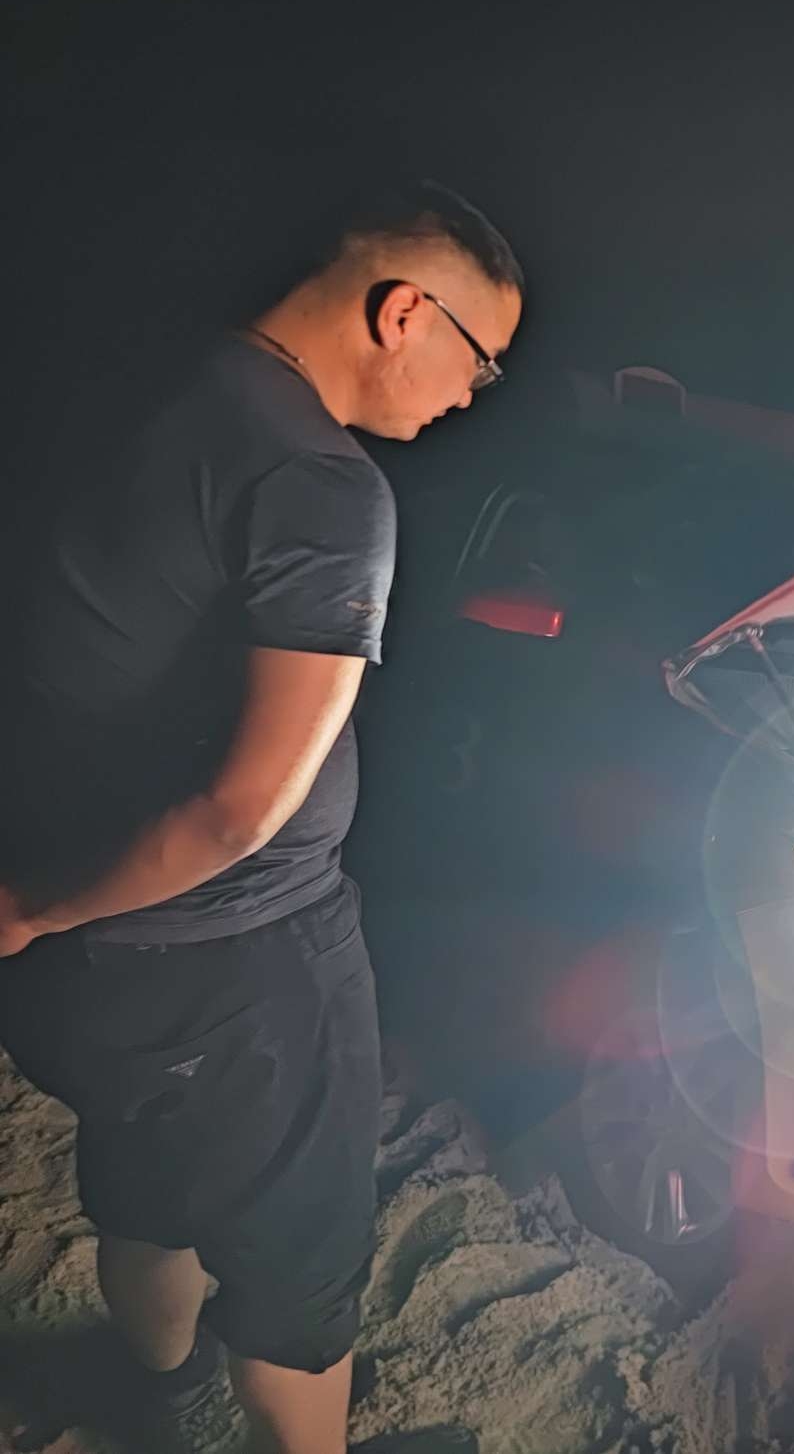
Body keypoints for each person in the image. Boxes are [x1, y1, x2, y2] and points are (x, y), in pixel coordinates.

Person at [0, 181, 523, 1454]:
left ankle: (158, 1390)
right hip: (234, 963)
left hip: (84, 967)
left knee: (143, 1178)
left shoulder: (147, 386)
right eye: (482, 360)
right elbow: (240, 812)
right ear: (406, 313)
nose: (472, 396)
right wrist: (33, 910)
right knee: (299, 1277)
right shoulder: (318, 485)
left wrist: (41, 908)